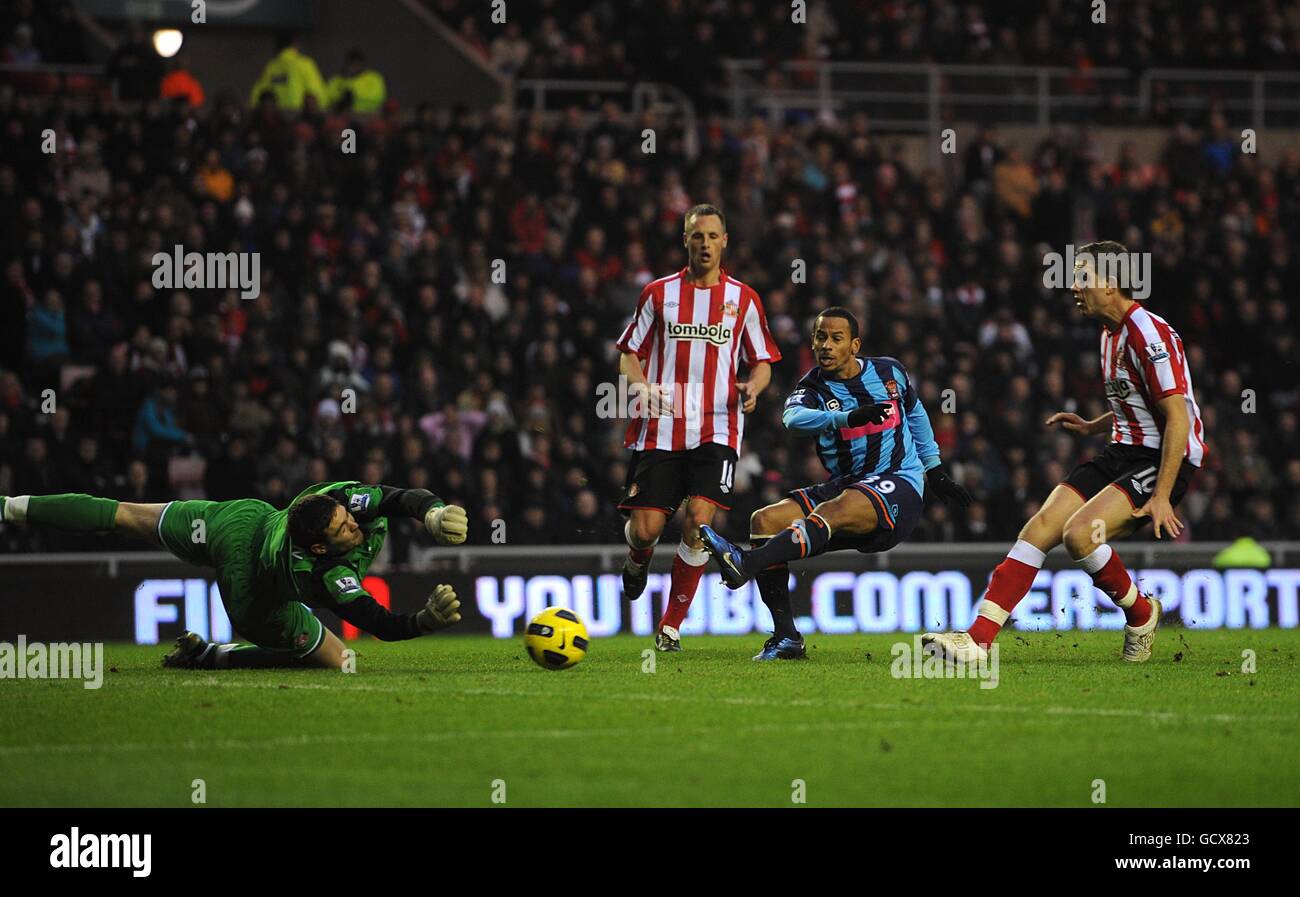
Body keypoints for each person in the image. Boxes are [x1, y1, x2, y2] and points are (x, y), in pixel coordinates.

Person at [922, 241, 1206, 663]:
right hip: (1122, 451)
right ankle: (977, 640)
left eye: (1083, 277)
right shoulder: (1110, 332)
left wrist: (1162, 495)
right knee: (1038, 529)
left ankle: (1141, 613)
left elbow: (1178, 419)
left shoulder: (1148, 334)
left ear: (1111, 284)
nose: (1074, 286)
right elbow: (1139, 402)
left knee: (1078, 535)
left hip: (1163, 458)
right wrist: (1094, 424)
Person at [698, 307, 972, 659]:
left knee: (834, 509)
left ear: (854, 345)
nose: (825, 346)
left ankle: (745, 565)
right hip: (849, 484)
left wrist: (934, 471)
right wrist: (845, 417)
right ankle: (786, 639)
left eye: (836, 339)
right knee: (764, 521)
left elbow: (915, 413)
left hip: (898, 482)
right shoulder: (812, 386)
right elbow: (793, 419)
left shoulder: (890, 372)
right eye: (820, 337)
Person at [0, 481, 470, 669]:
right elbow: (380, 624)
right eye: (343, 527)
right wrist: (423, 622)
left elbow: (395, 497)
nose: (352, 521)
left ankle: (9, 507)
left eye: (348, 514)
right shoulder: (326, 575)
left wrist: (431, 512)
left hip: (238, 522)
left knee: (125, 514)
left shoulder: (336, 503)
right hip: (255, 591)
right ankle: (212, 657)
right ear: (322, 547)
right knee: (340, 659)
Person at [615, 203, 781, 651]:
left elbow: (763, 360)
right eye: (696, 236)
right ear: (685, 241)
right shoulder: (657, 294)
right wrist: (642, 386)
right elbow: (629, 351)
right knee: (647, 529)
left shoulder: (743, 299)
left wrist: (755, 388)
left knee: (699, 522)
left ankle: (670, 626)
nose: (704, 243)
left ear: (724, 241)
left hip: (718, 427)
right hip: (663, 426)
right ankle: (637, 558)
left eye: (712, 236)